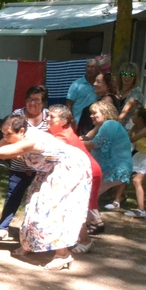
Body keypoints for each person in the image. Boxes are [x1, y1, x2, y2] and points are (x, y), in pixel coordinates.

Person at [0, 114, 91, 271]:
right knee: (33, 203)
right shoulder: (14, 136)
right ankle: (29, 244)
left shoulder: (31, 140)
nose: (5, 137)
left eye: (8, 134)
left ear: (21, 131)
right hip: (49, 168)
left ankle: (62, 255)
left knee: (52, 207)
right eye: (3, 133)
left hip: (70, 167)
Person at [0, 86, 49, 241]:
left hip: (43, 168)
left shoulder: (50, 117)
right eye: (29, 99)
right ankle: (2, 227)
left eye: (36, 100)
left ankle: (36, 232)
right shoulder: (17, 115)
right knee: (13, 194)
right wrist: (10, 152)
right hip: (20, 165)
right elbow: (7, 138)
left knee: (41, 199)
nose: (32, 103)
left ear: (43, 102)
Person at [44, 105, 100, 254]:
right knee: (71, 206)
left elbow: (46, 153)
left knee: (76, 207)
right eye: (47, 115)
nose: (47, 119)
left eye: (52, 117)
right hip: (79, 172)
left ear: (63, 121)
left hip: (88, 172)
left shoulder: (62, 136)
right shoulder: (56, 132)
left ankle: (85, 240)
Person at [83, 100, 133, 235]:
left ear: (105, 113)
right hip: (116, 168)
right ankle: (94, 223)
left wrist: (75, 143)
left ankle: (94, 224)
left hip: (116, 169)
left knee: (88, 195)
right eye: (91, 113)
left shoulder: (109, 124)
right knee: (90, 195)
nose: (91, 116)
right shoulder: (108, 126)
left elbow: (96, 144)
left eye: (95, 113)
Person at [109, 106, 146, 218]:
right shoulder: (135, 126)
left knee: (136, 181)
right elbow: (128, 137)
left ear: (141, 118)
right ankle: (116, 201)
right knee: (125, 174)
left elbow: (131, 139)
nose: (133, 117)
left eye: (135, 115)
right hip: (141, 154)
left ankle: (141, 210)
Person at [76, 72, 119, 137]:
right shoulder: (102, 99)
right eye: (95, 81)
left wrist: (88, 136)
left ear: (107, 86)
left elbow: (101, 122)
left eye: (98, 82)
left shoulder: (107, 99)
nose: (94, 84)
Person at [65, 58, 101, 123]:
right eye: (88, 67)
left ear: (98, 69)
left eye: (92, 67)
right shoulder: (76, 84)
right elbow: (68, 104)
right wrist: (72, 121)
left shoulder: (100, 85)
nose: (89, 69)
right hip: (77, 122)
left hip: (95, 123)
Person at [116, 62, 145, 130]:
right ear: (120, 75)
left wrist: (113, 125)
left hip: (129, 129)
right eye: (125, 74)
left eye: (131, 75)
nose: (127, 77)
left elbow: (126, 110)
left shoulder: (136, 92)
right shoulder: (116, 89)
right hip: (115, 126)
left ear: (135, 77)